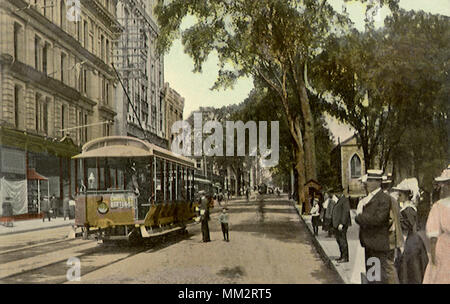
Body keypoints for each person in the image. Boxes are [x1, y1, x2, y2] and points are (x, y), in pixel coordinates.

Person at [355, 169, 403, 284]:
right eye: (368, 180)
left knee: (383, 275)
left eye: (370, 180)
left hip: (379, 244)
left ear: (378, 182)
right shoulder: (371, 197)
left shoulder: (384, 199)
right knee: (373, 276)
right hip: (370, 243)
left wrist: (359, 218)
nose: (367, 183)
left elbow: (379, 219)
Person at [392, 182, 428, 284]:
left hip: (411, 241)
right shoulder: (405, 208)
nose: (398, 197)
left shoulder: (409, 209)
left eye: (400, 195)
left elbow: (409, 224)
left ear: (406, 196)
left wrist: (397, 221)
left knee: (412, 268)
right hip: (406, 239)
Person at [422, 164, 450, 284]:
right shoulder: (438, 206)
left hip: (444, 247)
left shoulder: (438, 206)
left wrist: (433, 256)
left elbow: (433, 237)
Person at [332, 193, 352, 263]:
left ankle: (345, 257)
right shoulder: (339, 200)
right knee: (339, 240)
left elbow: (345, 213)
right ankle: (342, 256)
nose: (336, 194)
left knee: (342, 240)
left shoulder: (345, 200)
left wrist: (342, 223)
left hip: (341, 225)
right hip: (337, 224)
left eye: (337, 193)